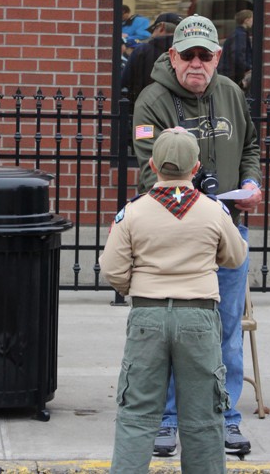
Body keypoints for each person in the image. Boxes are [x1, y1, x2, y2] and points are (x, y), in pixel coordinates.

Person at [131, 14, 263, 457]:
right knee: (174, 333)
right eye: (188, 54)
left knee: (225, 333)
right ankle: (167, 420)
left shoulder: (231, 93)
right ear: (173, 55)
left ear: (217, 57)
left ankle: (223, 418)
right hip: (174, 241)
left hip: (228, 237)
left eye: (205, 55)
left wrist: (251, 184)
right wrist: (199, 203)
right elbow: (152, 172)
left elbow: (249, 147)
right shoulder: (151, 101)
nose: (197, 63)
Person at [100, 127, 248, 474]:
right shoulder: (213, 211)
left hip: (148, 316)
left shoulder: (133, 212)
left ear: (152, 164)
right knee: (203, 416)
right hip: (198, 316)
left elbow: (112, 268)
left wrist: (134, 286)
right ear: (196, 168)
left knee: (136, 412)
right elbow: (236, 257)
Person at [121, 12, 182, 104]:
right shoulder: (187, 53)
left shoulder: (142, 51)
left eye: (153, 30)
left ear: (161, 27)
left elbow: (124, 81)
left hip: (143, 109)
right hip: (178, 112)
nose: (151, 35)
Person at [218, 9, 253, 91]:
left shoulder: (238, 33)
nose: (252, 22)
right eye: (252, 19)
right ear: (246, 20)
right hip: (232, 74)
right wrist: (248, 68)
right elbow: (238, 56)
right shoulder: (240, 35)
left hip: (230, 73)